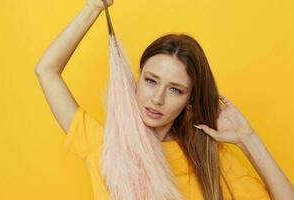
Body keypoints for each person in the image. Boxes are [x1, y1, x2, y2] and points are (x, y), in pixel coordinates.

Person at [34, 0, 294, 199]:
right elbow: (46, 70)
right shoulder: (103, 143)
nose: (157, 99)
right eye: (151, 81)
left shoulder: (207, 156)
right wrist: (93, 8)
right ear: (135, 80)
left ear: (189, 100)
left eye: (175, 90)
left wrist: (248, 138)